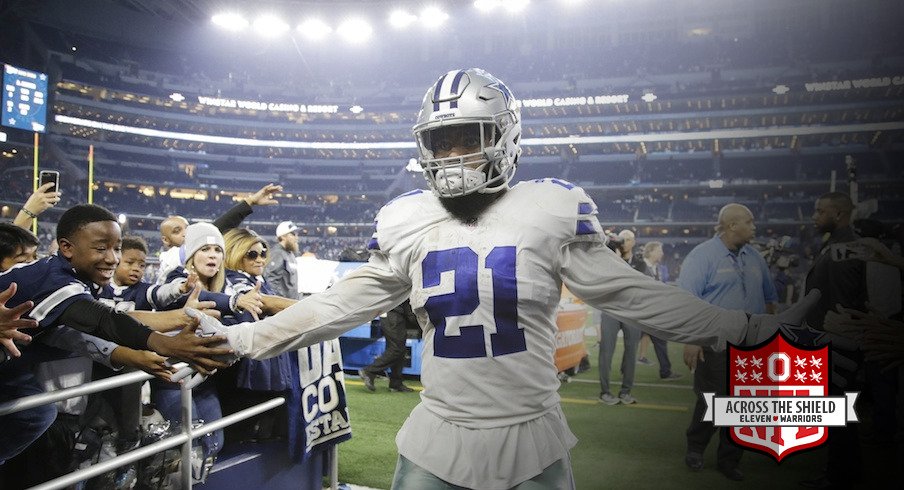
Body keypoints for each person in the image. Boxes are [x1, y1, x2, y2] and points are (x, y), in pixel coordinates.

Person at [195, 68, 817, 490]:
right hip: (437, 432)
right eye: (441, 142)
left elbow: (634, 296)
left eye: (468, 138)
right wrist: (245, 339)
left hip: (533, 433)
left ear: (506, 136)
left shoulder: (548, 208)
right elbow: (338, 305)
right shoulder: (409, 219)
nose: (453, 155)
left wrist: (745, 326)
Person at [0, 205, 230, 465]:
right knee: (39, 415)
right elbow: (104, 319)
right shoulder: (56, 281)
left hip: (19, 374)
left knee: (39, 413)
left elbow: (74, 332)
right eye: (101, 248)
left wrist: (129, 354)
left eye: (116, 248)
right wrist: (166, 344)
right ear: (67, 248)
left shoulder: (74, 280)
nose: (112, 258)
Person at [679, 203, 777, 482]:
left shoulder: (755, 258)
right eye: (750, 221)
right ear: (733, 225)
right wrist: (692, 340)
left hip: (753, 345)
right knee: (712, 401)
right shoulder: (702, 256)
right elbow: (687, 302)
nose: (754, 226)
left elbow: (770, 300)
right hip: (716, 342)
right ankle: (696, 447)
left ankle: (729, 459)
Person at [800, 192, 868, 489]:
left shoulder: (842, 248)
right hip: (833, 340)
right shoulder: (837, 244)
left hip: (836, 343)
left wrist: (834, 342)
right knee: (837, 415)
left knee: (839, 414)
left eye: (819, 211)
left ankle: (840, 477)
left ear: (838, 214)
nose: (814, 216)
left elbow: (842, 304)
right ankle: (839, 472)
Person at [155, 183, 283, 284]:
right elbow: (215, 229)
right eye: (177, 231)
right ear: (165, 240)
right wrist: (249, 203)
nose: (186, 233)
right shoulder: (172, 258)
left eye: (187, 228)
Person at [597, 230, 641, 405]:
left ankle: (625, 392)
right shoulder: (609, 260)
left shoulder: (640, 263)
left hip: (632, 312)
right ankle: (605, 392)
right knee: (606, 352)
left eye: (628, 239)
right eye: (623, 240)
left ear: (634, 242)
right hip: (610, 310)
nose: (625, 243)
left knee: (631, 353)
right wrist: (613, 256)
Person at [634, 241, 682, 381]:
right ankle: (626, 370)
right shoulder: (639, 266)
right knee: (631, 343)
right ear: (651, 251)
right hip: (640, 313)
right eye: (659, 250)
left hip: (654, 314)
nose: (662, 253)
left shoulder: (659, 269)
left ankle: (665, 372)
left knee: (661, 341)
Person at [358, 299, 416, 393]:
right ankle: (369, 371)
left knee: (399, 347)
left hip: (393, 310)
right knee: (397, 348)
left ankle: (396, 383)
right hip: (393, 311)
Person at [264, 221, 300, 300]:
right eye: (293, 234)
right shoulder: (277, 253)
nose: (296, 237)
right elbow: (271, 281)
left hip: (291, 304)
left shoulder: (290, 254)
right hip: (283, 306)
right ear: (283, 236)